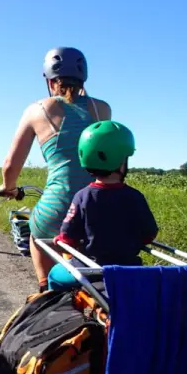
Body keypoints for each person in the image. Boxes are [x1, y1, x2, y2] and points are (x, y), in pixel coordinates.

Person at [0, 47, 112, 291]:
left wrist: (8, 188)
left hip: (57, 206)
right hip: (99, 207)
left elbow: (10, 165)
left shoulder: (36, 110)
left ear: (49, 81)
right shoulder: (102, 109)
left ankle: (44, 291)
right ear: (83, 80)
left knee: (37, 236)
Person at [47, 120, 159, 291]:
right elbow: (149, 234)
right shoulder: (136, 197)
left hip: (89, 269)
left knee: (54, 275)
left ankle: (55, 310)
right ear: (121, 161)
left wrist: (61, 240)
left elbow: (68, 237)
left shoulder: (82, 196)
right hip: (128, 270)